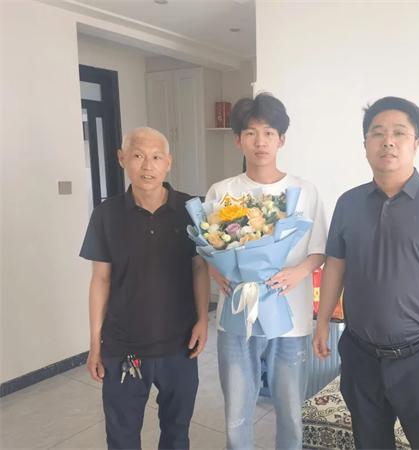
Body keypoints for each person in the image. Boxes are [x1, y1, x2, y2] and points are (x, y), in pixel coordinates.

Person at [313, 97, 419, 449]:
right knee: (369, 443)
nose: (388, 141)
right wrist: (322, 321)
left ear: (416, 143)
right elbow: (336, 266)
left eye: (399, 133)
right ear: (365, 145)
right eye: (377, 133)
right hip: (360, 354)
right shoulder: (348, 203)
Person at [205, 93, 327, 450]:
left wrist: (298, 272)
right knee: (236, 413)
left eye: (269, 133)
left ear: (281, 140)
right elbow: (209, 246)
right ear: (238, 140)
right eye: (251, 133)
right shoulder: (222, 192)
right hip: (236, 315)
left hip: (291, 318)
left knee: (290, 412)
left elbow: (319, 250)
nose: (260, 141)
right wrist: (215, 270)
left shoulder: (304, 191)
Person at [80, 127, 210, 450]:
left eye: (156, 157)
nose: (147, 166)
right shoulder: (106, 214)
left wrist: (203, 320)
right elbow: (100, 280)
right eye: (138, 156)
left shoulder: (191, 209)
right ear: (122, 159)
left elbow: (199, 268)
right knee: (122, 438)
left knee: (177, 434)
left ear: (169, 162)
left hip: (180, 345)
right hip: (123, 346)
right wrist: (95, 344)